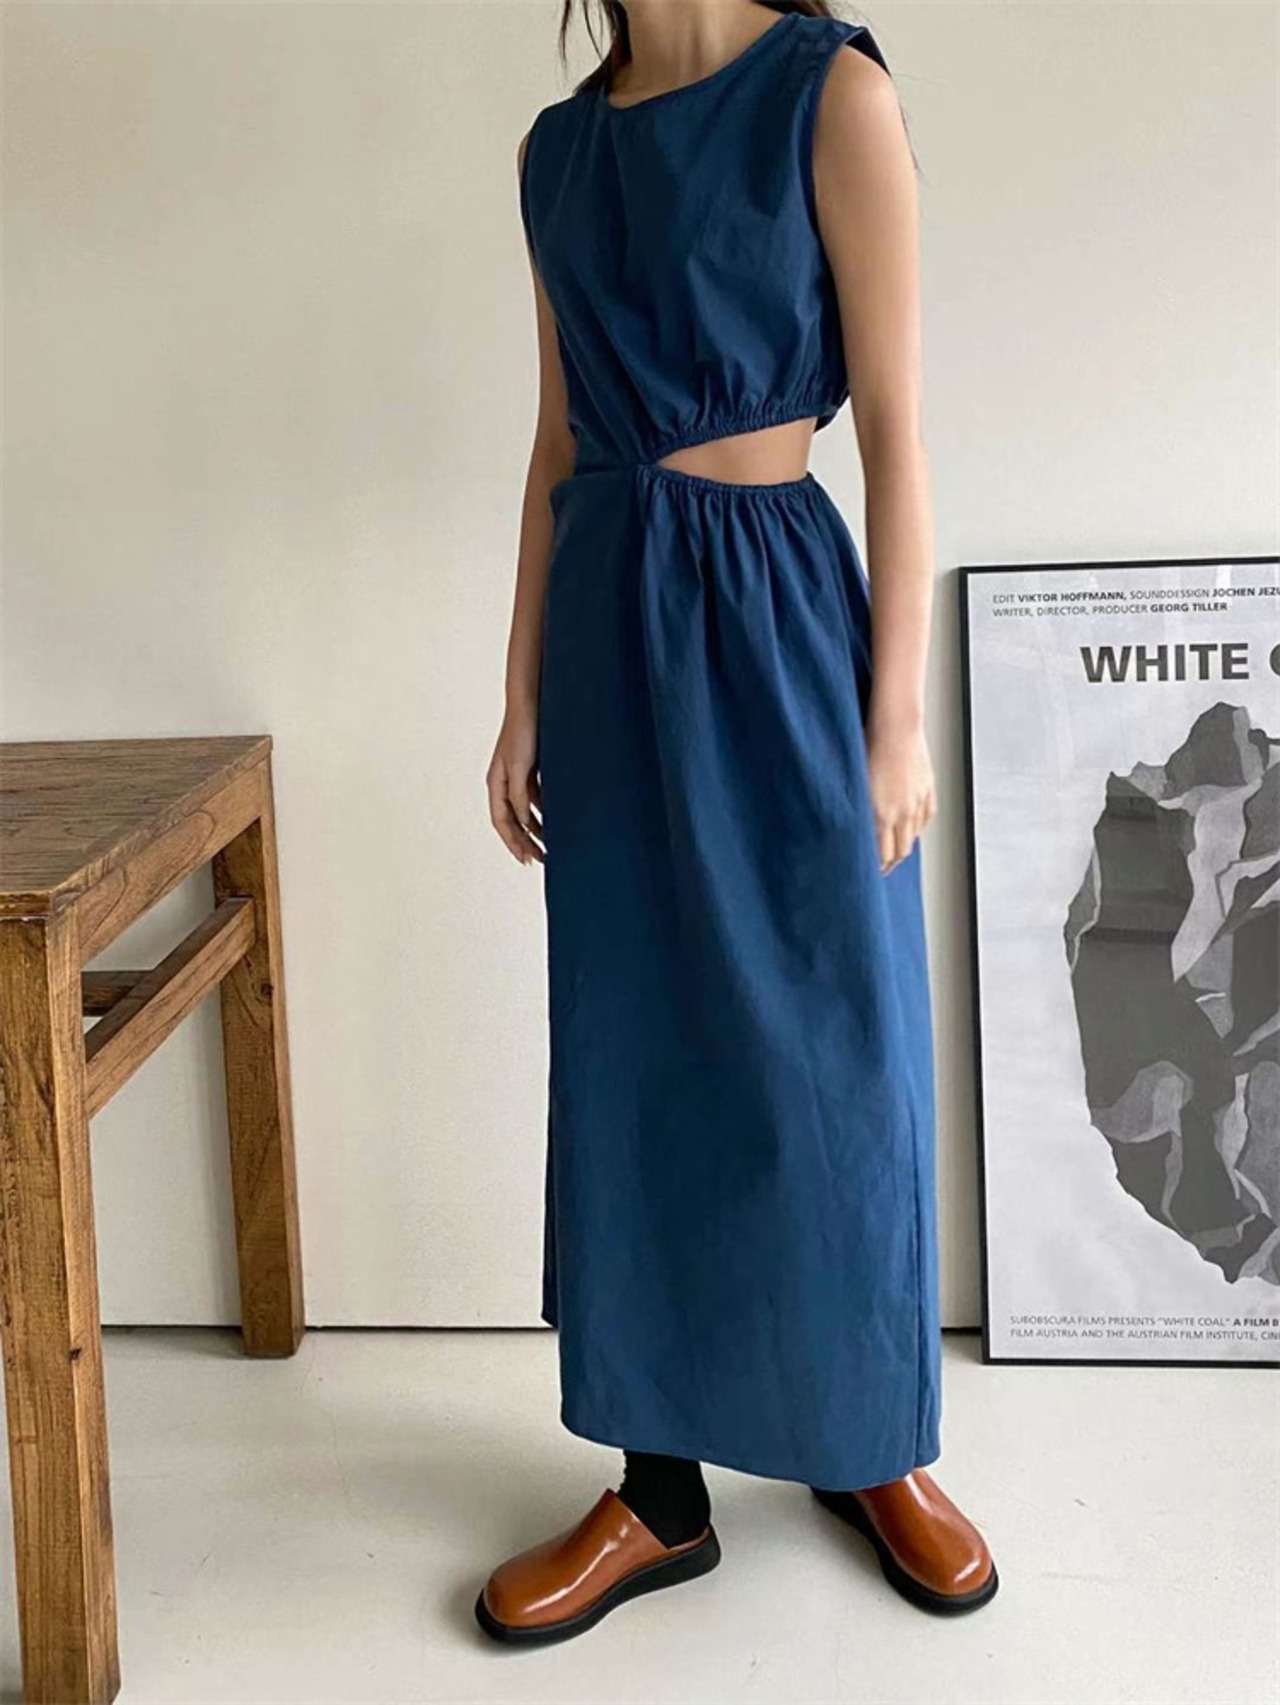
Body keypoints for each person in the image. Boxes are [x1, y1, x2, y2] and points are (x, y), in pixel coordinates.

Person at [479, 0, 998, 1645]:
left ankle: (869, 1440)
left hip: (778, 619)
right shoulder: (558, 155)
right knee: (637, 1051)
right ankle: (660, 1487)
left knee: (840, 1049)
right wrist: (520, 692)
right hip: (610, 631)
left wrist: (896, 713)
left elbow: (899, 427)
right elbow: (559, 441)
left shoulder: (828, 94)